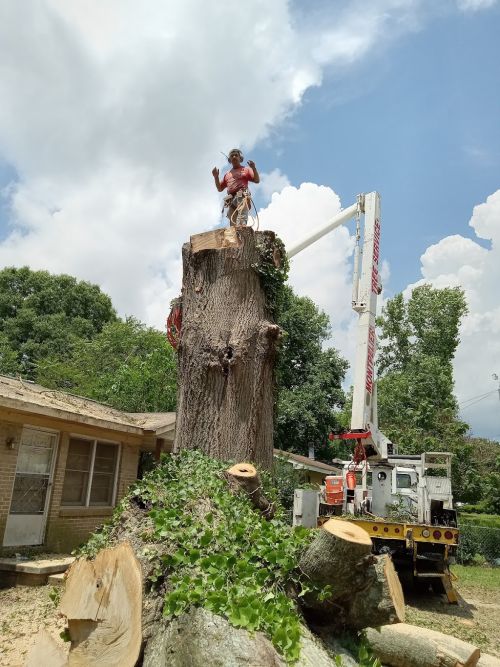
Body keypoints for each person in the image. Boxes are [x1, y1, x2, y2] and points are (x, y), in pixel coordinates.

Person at [212, 149, 260, 226]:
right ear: (229, 160)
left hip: (242, 195)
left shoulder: (246, 169)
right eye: (232, 156)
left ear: (240, 158)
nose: (234, 157)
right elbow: (220, 189)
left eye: (236, 155)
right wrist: (216, 177)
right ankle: (235, 233)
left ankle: (241, 229)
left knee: (241, 216)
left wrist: (254, 168)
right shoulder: (227, 174)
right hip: (231, 199)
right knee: (232, 218)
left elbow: (257, 180)